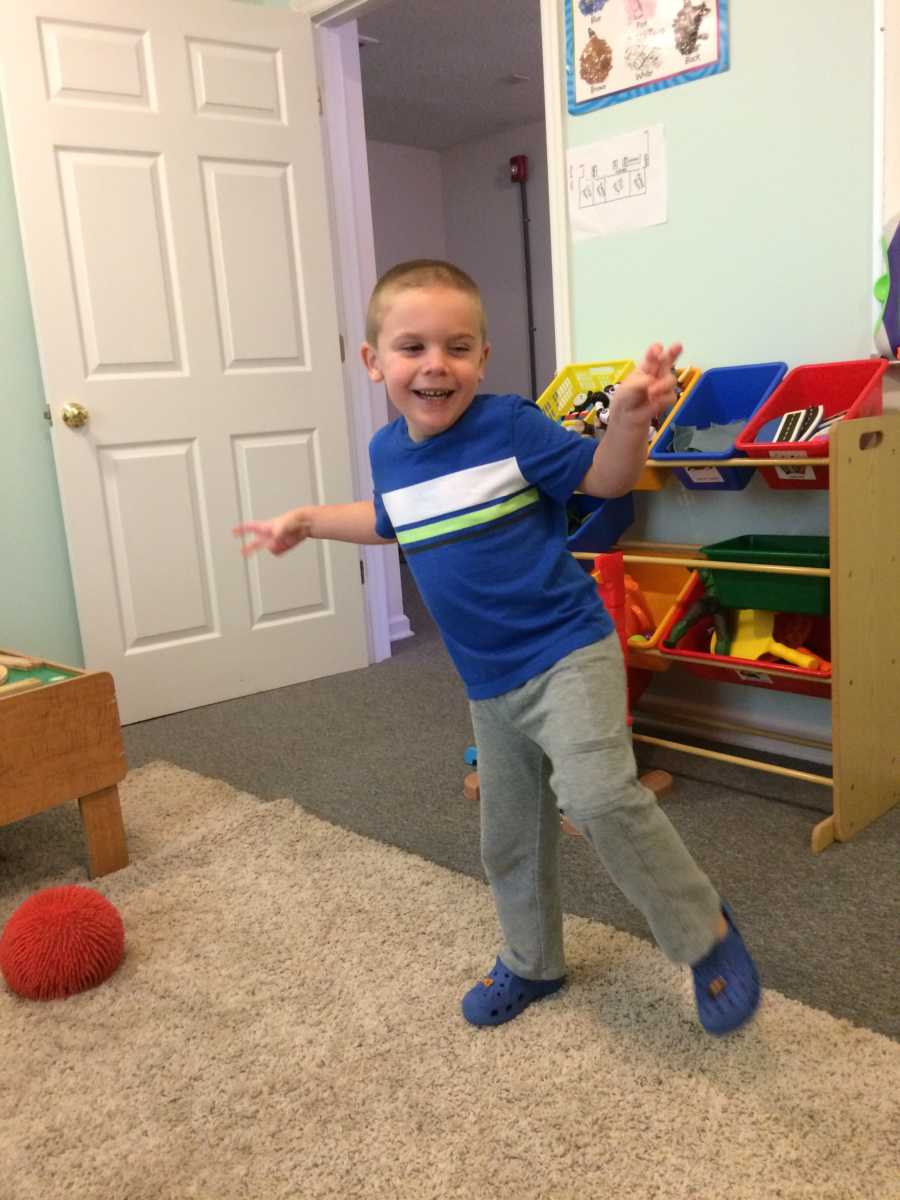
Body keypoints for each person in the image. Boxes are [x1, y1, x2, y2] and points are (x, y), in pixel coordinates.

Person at [234, 260, 761, 1036]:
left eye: (457, 347)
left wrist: (628, 421)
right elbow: (392, 519)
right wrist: (308, 519)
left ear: (483, 357)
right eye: (412, 347)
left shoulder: (510, 425)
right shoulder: (389, 452)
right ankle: (531, 961)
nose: (435, 365)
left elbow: (607, 483)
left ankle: (701, 931)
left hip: (567, 653)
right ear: (373, 361)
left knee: (596, 797)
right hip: (489, 684)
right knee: (508, 838)